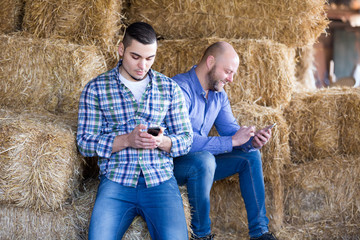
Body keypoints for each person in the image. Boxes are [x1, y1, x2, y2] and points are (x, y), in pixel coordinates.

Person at [76, 22, 193, 240]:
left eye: (150, 58)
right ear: (121, 50)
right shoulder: (96, 88)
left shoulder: (169, 89)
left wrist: (162, 142)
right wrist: (127, 140)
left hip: (160, 181)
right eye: (136, 57)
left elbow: (186, 140)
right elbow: (84, 142)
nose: (143, 65)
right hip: (116, 181)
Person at [172, 41, 278, 240]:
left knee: (250, 156)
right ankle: (201, 236)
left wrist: (251, 141)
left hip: (204, 165)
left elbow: (231, 131)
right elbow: (184, 141)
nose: (231, 79)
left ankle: (260, 232)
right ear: (211, 62)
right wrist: (232, 141)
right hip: (172, 165)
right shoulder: (179, 88)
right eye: (228, 72)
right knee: (204, 160)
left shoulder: (219, 96)